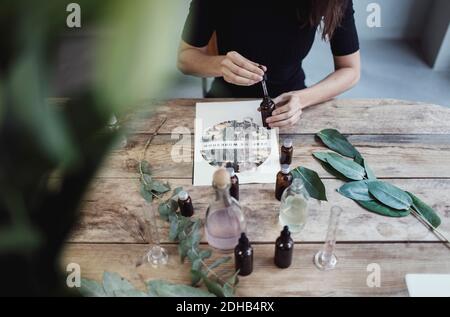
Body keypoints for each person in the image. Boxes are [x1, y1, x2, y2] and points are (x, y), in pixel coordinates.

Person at [178, 0, 361, 128]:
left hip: (294, 107)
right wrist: (220, 65)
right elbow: (185, 59)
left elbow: (350, 69)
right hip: (225, 100)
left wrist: (301, 99)